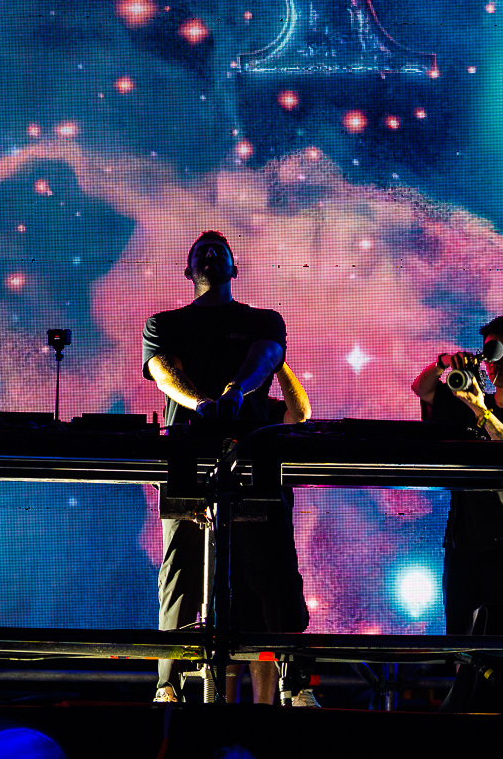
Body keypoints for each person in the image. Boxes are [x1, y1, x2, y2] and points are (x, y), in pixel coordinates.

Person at [143, 231, 308, 703]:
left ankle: (294, 683)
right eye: (202, 250)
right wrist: (202, 404)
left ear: (235, 268)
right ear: (188, 270)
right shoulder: (164, 323)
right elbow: (162, 370)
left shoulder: (262, 320)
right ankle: (168, 685)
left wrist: (235, 392)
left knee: (274, 572)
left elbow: (268, 355)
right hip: (188, 461)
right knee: (180, 571)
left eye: (220, 250)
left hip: (255, 461)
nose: (211, 253)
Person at [411, 316, 503, 635]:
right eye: (491, 354)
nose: (496, 363)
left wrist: (481, 409)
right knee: (462, 643)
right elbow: (422, 388)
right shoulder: (470, 402)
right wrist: (444, 363)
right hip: (463, 546)